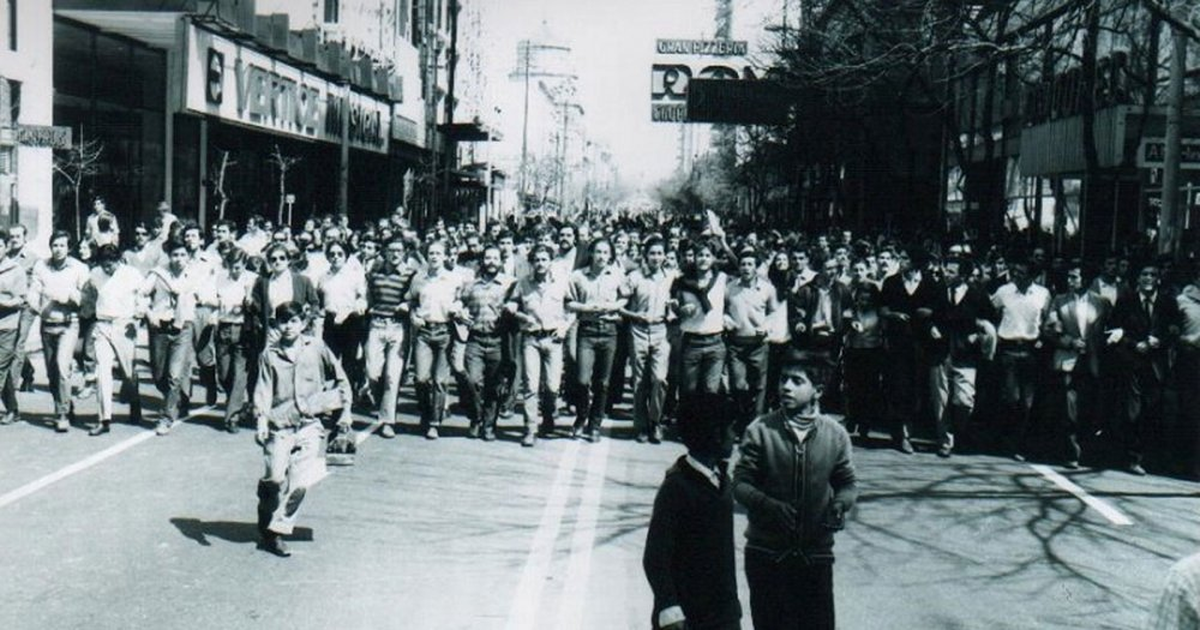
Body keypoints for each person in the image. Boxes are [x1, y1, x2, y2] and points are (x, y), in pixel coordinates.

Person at [733, 355, 858, 630]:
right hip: (767, 555)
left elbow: (847, 483)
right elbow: (740, 484)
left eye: (797, 381)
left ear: (818, 391)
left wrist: (840, 504)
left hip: (815, 557)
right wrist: (768, 505)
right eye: (783, 379)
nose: (786, 387)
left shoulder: (835, 435)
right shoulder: (760, 430)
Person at [253, 301, 352, 557]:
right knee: (274, 478)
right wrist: (261, 419)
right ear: (276, 324)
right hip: (280, 425)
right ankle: (266, 499)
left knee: (299, 483)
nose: (288, 326)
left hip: (310, 424)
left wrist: (345, 413)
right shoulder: (270, 354)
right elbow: (263, 388)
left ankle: (277, 531)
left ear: (303, 323)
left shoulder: (316, 347)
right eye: (283, 321)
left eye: (294, 321)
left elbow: (340, 378)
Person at [642, 392, 742, 630]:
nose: (735, 437)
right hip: (687, 616)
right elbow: (655, 555)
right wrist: (669, 606)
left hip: (723, 611)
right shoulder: (677, 487)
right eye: (730, 429)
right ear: (714, 434)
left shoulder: (721, 479)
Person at [1109, 263, 1179, 476]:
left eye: (1153, 274)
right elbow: (1112, 330)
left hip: (1156, 364)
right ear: (1138, 278)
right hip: (1132, 362)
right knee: (1133, 410)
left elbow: (1175, 330)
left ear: (1158, 279)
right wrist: (1133, 344)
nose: (1149, 278)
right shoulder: (1126, 301)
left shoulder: (1167, 302)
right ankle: (1132, 458)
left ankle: (1150, 457)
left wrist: (1161, 341)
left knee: (1153, 411)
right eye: (1144, 274)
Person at [506, 245, 572, 445]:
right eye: (537, 260)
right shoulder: (523, 283)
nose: (540, 264)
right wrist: (519, 314)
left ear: (550, 261)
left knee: (552, 387)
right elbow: (511, 304)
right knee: (531, 386)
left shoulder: (561, 284)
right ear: (531, 262)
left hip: (554, 340)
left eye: (544, 259)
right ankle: (530, 429)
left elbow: (571, 308)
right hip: (531, 339)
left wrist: (564, 327)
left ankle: (549, 416)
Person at [1045, 262, 1108, 468]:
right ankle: (1071, 451)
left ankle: (1086, 447)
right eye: (1069, 277)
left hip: (1092, 361)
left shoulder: (1101, 302)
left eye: (1075, 277)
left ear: (1086, 279)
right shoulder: (1060, 301)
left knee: (1088, 406)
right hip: (1068, 359)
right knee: (1068, 405)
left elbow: (1105, 332)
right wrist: (1070, 342)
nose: (1070, 281)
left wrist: (1090, 345)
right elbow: (1050, 329)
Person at [29, 231, 90, 432]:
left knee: (63, 366)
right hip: (47, 324)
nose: (58, 249)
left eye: (62, 245)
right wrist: (36, 303)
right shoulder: (41, 266)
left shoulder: (79, 268)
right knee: (52, 372)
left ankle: (61, 413)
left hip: (68, 324)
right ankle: (65, 402)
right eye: (55, 245)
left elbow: (86, 299)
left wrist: (69, 296)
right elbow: (33, 292)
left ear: (69, 248)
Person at [81, 244, 145, 435]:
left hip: (124, 325)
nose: (107, 269)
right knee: (103, 371)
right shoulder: (95, 274)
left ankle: (135, 402)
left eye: (111, 265)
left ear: (118, 261)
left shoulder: (132, 274)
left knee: (128, 372)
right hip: (102, 325)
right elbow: (88, 298)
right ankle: (104, 419)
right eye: (104, 265)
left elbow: (142, 296)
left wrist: (138, 317)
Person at [566, 238, 625, 442]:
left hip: (609, 331)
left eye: (605, 252)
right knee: (582, 380)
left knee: (603, 382)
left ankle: (594, 424)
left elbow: (625, 297)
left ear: (611, 256)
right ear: (590, 253)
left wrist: (613, 306)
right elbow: (568, 302)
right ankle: (581, 416)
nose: (601, 256)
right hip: (587, 330)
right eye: (598, 252)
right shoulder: (578, 276)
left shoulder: (617, 275)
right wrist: (586, 308)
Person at [457, 244, 515, 442]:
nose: (491, 262)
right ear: (482, 261)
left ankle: (489, 425)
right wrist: (461, 312)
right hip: (475, 340)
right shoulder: (471, 285)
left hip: (498, 340)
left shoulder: (510, 285)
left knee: (494, 386)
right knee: (472, 381)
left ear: (501, 261)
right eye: (488, 258)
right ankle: (475, 417)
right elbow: (459, 303)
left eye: (495, 258)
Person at [620, 236, 675, 444]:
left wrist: (674, 310)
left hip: (661, 331)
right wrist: (635, 315)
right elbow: (621, 305)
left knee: (660, 379)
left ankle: (655, 421)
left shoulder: (671, 277)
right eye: (652, 253)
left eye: (660, 253)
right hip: (638, 331)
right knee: (640, 381)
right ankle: (641, 425)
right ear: (645, 255)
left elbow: (676, 302)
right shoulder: (634, 277)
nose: (656, 257)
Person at [146, 238, 201, 436]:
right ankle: (174, 399)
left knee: (174, 375)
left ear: (188, 257)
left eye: (183, 255)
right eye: (175, 255)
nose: (179, 259)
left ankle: (166, 417)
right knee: (159, 375)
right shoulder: (158, 274)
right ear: (169, 256)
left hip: (182, 328)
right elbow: (141, 295)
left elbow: (204, 295)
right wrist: (149, 314)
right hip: (160, 326)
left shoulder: (193, 276)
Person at [406, 240, 460, 439]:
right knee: (421, 378)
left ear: (445, 256)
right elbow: (411, 300)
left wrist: (458, 306)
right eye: (431, 253)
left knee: (440, 380)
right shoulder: (419, 278)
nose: (434, 257)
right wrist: (413, 315)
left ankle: (434, 422)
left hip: (445, 331)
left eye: (438, 253)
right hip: (424, 332)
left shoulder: (454, 279)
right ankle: (426, 411)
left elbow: (462, 299)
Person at [364, 237, 415, 439]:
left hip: (398, 327)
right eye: (391, 250)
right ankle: (380, 405)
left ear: (404, 253)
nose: (395, 254)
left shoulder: (410, 275)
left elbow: (416, 298)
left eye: (399, 250)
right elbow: (368, 297)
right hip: (376, 325)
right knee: (373, 373)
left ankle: (388, 421)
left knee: (392, 377)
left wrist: (407, 306)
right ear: (384, 252)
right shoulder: (374, 274)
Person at [214, 246, 257, 433]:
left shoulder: (252, 279)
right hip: (223, 328)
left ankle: (232, 417)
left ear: (244, 265)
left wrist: (249, 301)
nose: (234, 270)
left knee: (240, 374)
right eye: (231, 266)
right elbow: (212, 299)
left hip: (243, 329)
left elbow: (258, 302)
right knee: (224, 374)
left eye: (238, 267)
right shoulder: (219, 278)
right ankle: (235, 401)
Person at [0, 227, 27, 425]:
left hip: (8, 326)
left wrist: (3, 303)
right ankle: (12, 408)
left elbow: (21, 299)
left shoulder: (16, 269)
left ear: (6, 247)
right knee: (5, 371)